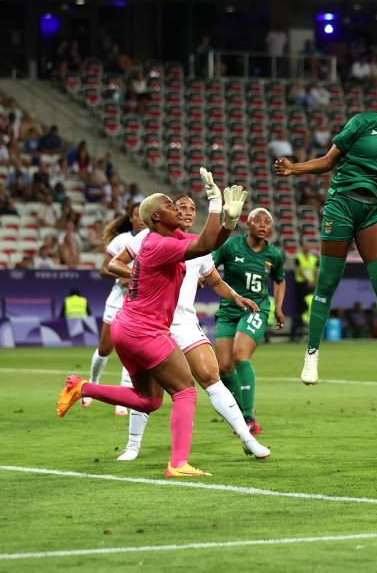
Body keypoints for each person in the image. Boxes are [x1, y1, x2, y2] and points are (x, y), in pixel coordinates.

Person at [56, 169, 247, 477]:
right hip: (146, 330)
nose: (178, 209)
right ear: (158, 216)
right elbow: (204, 246)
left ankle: (83, 388)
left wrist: (228, 222)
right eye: (171, 206)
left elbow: (207, 241)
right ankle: (179, 463)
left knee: (148, 400)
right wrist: (214, 202)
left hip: (126, 328)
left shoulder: (165, 238)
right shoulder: (160, 243)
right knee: (185, 391)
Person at [273, 83, 377, 393]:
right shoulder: (363, 123)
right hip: (341, 205)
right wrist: (294, 169)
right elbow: (327, 162)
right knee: (327, 284)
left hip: (374, 212)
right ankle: (311, 355)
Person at [108, 195, 270, 461]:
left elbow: (215, 280)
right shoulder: (149, 238)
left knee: (211, 377)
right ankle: (133, 446)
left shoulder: (196, 246)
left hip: (183, 322)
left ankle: (248, 438)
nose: (186, 211)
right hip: (151, 324)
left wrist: (236, 296)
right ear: (166, 214)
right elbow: (114, 263)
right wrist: (139, 274)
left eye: (192, 208)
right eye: (179, 206)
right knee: (148, 391)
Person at [212, 207, 286, 435]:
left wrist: (279, 308)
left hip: (256, 309)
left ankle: (248, 416)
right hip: (228, 310)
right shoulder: (231, 246)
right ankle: (237, 410)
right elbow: (210, 267)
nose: (264, 225)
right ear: (248, 223)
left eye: (268, 222)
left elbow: (280, 280)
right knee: (224, 367)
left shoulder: (274, 255)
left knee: (240, 355)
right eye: (259, 220)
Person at [82, 202, 145, 412]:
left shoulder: (155, 240)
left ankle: (123, 397)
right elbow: (104, 269)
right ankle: (93, 383)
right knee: (105, 348)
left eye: (143, 215)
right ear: (131, 218)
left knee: (132, 349)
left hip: (140, 302)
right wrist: (126, 276)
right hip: (119, 299)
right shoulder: (122, 240)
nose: (140, 219)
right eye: (136, 215)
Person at [292, 239, 318, 341]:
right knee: (299, 309)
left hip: (310, 286)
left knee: (310, 307)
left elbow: (315, 271)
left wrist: (314, 282)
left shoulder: (314, 259)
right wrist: (308, 280)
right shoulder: (298, 258)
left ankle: (310, 332)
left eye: (309, 247)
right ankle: (296, 335)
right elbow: (299, 271)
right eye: (305, 247)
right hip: (301, 286)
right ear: (302, 248)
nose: (307, 249)